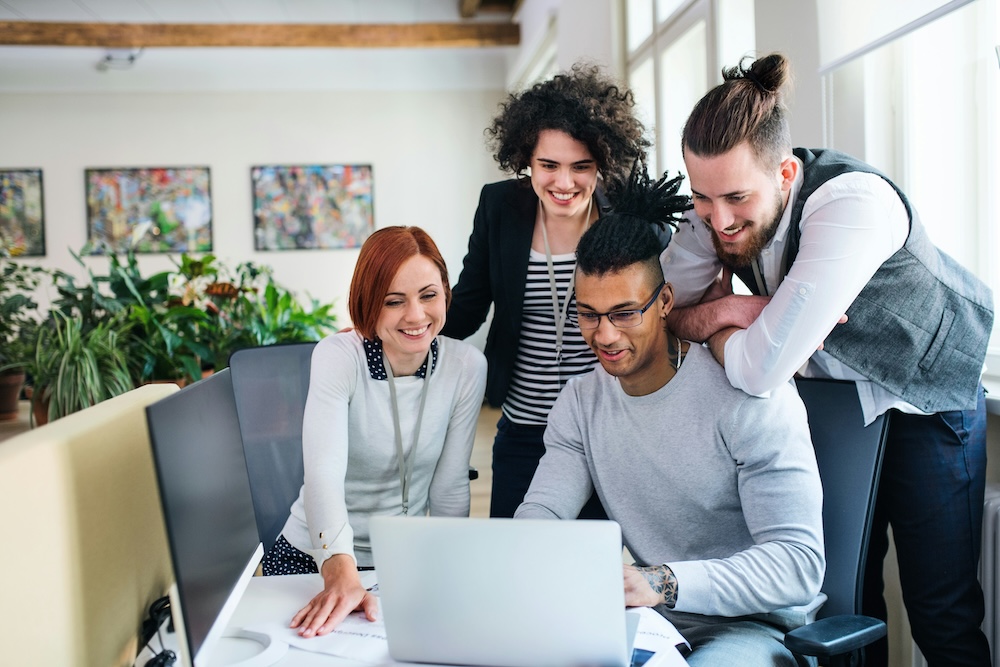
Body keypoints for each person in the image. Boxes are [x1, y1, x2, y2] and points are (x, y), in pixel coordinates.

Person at [661, 53, 995, 666]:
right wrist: (725, 315)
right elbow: (668, 311)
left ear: (785, 173)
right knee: (838, 602)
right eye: (703, 201)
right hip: (833, 405)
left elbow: (760, 370)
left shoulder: (853, 205)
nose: (719, 221)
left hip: (923, 396)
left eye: (737, 199)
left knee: (940, 610)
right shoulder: (716, 200)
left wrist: (719, 322)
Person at [515, 167, 826, 666]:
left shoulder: (748, 395)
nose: (605, 335)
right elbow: (545, 513)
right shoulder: (580, 402)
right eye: (588, 314)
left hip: (754, 629)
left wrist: (661, 580)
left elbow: (797, 565)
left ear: (664, 302)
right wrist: (511, 555)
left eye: (624, 313)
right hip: (649, 626)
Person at [442, 63, 668, 518]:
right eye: (548, 165)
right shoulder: (500, 206)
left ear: (602, 163)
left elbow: (667, 303)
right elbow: (466, 306)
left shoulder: (628, 213)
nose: (564, 184)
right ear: (525, 158)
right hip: (524, 427)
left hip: (610, 425)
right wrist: (396, 330)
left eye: (581, 167)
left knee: (591, 572)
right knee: (515, 564)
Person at [261, 226, 488, 637]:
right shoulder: (339, 357)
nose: (416, 316)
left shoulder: (466, 366)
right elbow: (323, 475)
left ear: (445, 293)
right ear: (369, 303)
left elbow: (450, 486)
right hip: (315, 556)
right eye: (393, 301)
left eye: (429, 295)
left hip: (404, 560)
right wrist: (338, 567)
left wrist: (450, 564)